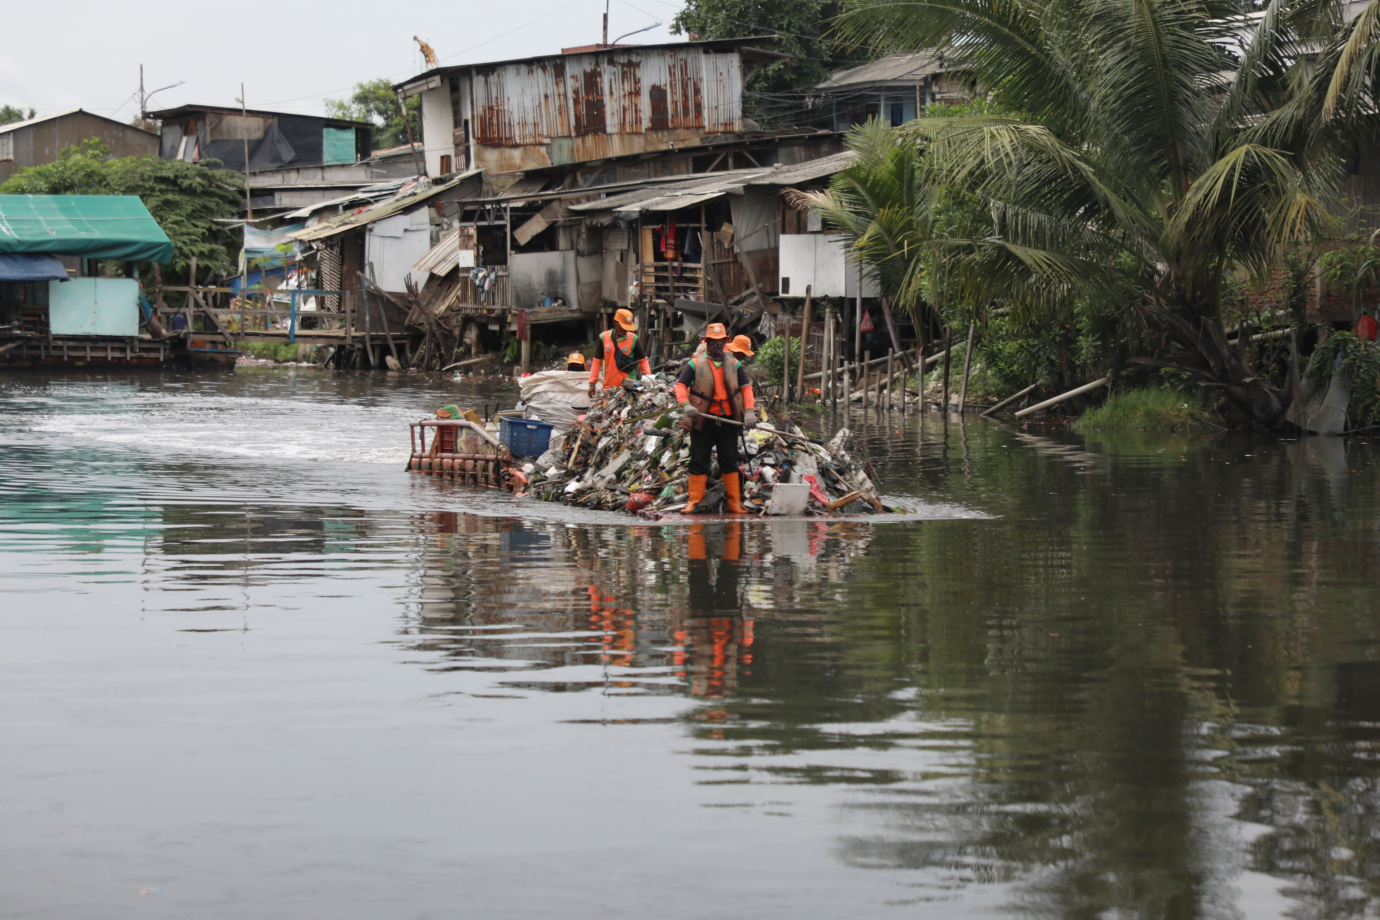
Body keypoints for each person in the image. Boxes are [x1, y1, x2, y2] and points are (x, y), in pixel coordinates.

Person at [674, 322, 756, 514]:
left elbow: (746, 388)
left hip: (728, 421)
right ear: (707, 342)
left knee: (729, 460)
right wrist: (686, 405)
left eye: (720, 342)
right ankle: (694, 500)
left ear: (726, 342)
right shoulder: (695, 364)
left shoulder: (735, 364)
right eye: (713, 341)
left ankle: (735, 503)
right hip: (703, 420)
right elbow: (680, 385)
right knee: (699, 459)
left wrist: (750, 410)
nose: (716, 345)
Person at [588, 308, 651, 397]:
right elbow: (596, 361)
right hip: (609, 388)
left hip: (629, 388)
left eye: (627, 328)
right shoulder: (604, 337)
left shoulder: (634, 339)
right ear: (615, 323)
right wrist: (592, 383)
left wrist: (649, 378)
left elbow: (643, 360)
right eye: (623, 327)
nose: (625, 330)